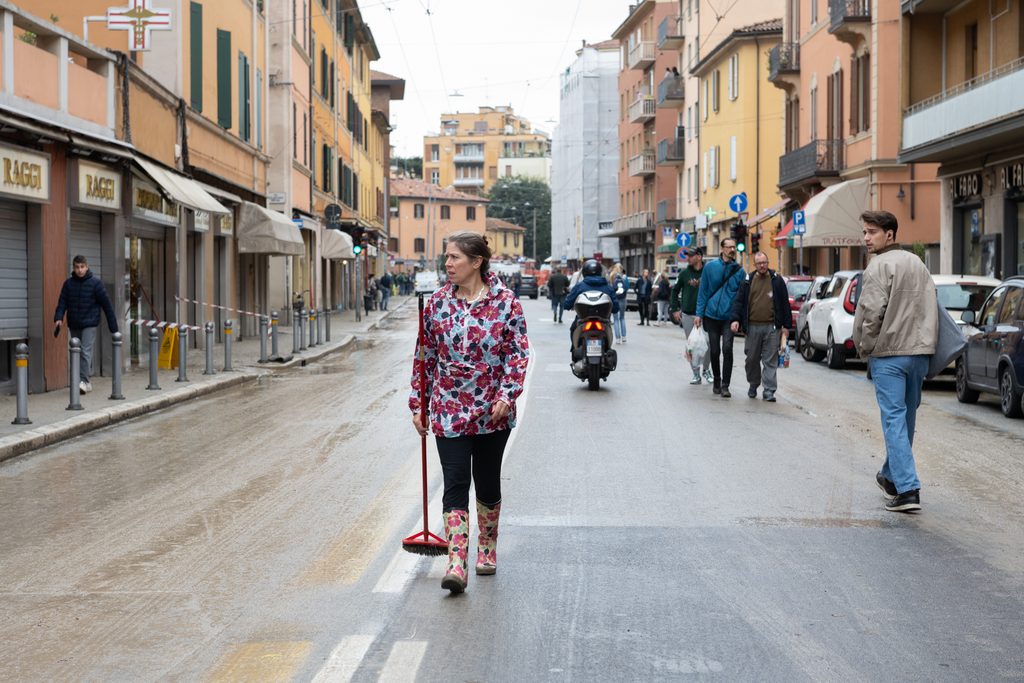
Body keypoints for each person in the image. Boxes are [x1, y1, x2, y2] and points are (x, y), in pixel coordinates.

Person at [409, 231, 530, 593]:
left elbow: (517, 354)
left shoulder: (506, 303)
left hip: (493, 412)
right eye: (446, 257)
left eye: (454, 257)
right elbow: (424, 358)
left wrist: (507, 395)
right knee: (456, 481)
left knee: (487, 481)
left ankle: (487, 547)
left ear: (476, 262)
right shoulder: (437, 304)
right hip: (448, 409)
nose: (447, 264)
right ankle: (456, 562)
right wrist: (419, 404)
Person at [852, 210, 937, 513]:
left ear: (889, 234)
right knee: (906, 419)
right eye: (865, 232)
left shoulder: (878, 266)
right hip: (919, 354)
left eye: (872, 232)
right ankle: (890, 476)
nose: (866, 238)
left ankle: (908, 489)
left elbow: (870, 313)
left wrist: (865, 348)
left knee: (893, 420)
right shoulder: (918, 263)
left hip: (889, 354)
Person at [730, 252, 793, 402]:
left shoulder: (777, 280)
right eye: (759, 263)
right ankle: (753, 383)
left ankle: (769, 390)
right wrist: (735, 319)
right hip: (752, 327)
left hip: (772, 327)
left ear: (768, 262)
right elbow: (739, 302)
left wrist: (786, 326)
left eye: (764, 262)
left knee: (770, 360)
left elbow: (785, 303)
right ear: (755, 265)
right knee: (751, 359)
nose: (762, 265)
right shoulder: (748, 281)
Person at [53, 255, 118, 394]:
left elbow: (107, 306)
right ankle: (84, 381)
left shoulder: (96, 284)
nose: (80, 270)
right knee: (76, 351)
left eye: (82, 267)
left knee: (85, 351)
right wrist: (58, 318)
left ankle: (83, 381)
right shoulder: (68, 284)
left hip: (90, 323)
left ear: (87, 267)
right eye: (77, 267)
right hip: (74, 323)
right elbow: (62, 302)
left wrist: (114, 329)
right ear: (73, 268)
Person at [695, 238, 745, 397]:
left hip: (729, 317)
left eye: (734, 247)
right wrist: (699, 314)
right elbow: (703, 292)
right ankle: (717, 379)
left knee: (727, 349)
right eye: (729, 247)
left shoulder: (740, 271)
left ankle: (725, 386)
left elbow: (742, 297)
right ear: (722, 249)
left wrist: (738, 318)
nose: (732, 250)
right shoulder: (710, 267)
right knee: (715, 350)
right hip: (711, 315)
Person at [563, 259, 619, 369]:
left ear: (584, 272)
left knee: (573, 329)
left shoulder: (580, 286)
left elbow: (567, 304)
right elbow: (616, 308)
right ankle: (606, 350)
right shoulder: (607, 287)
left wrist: (569, 305)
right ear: (600, 272)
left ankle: (575, 352)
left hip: (582, 320)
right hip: (604, 321)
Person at [671, 248, 712, 384]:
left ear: (699, 257)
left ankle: (706, 369)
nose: (687, 258)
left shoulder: (708, 272)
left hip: (706, 314)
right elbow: (674, 291)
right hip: (688, 315)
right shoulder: (684, 273)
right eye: (687, 256)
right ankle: (696, 373)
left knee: (709, 344)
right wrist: (675, 309)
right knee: (692, 345)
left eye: (691, 255)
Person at [608, 263, 629, 343]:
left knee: (616, 319)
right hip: (623, 299)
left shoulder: (611, 277)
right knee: (622, 318)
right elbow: (627, 287)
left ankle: (617, 338)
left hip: (615, 299)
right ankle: (624, 337)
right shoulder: (624, 277)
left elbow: (610, 288)